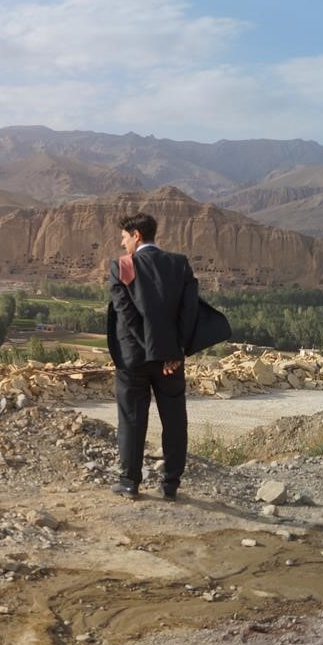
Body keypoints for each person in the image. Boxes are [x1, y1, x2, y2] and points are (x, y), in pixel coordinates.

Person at [105, 212, 201, 502]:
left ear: (136, 235)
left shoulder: (122, 266)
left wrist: (151, 349)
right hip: (171, 360)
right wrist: (176, 351)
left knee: (132, 418)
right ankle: (170, 484)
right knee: (174, 418)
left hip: (133, 358)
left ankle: (130, 482)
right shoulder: (178, 264)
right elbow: (190, 312)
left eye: (124, 237)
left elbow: (128, 316)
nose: (122, 244)